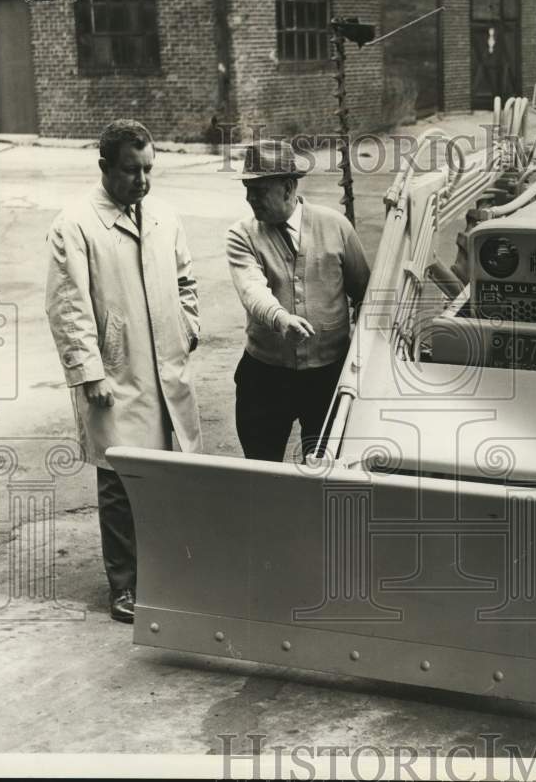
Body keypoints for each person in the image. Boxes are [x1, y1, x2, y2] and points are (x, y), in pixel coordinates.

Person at [45, 119, 202, 624]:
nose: (142, 181)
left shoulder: (163, 216)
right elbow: (67, 305)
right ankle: (125, 585)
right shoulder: (75, 225)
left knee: (167, 476)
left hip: (164, 368)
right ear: (105, 167)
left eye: (148, 169)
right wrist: (88, 370)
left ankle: (168, 574)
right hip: (115, 373)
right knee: (120, 483)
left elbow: (185, 279)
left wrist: (188, 327)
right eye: (131, 170)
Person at [226, 140, 370, 463]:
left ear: (288, 187)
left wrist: (361, 357)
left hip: (327, 377)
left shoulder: (336, 227)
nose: (250, 199)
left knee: (324, 468)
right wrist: (280, 318)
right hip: (264, 376)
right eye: (247, 189)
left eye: (259, 190)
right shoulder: (242, 235)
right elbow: (252, 289)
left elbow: (365, 293)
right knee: (261, 471)